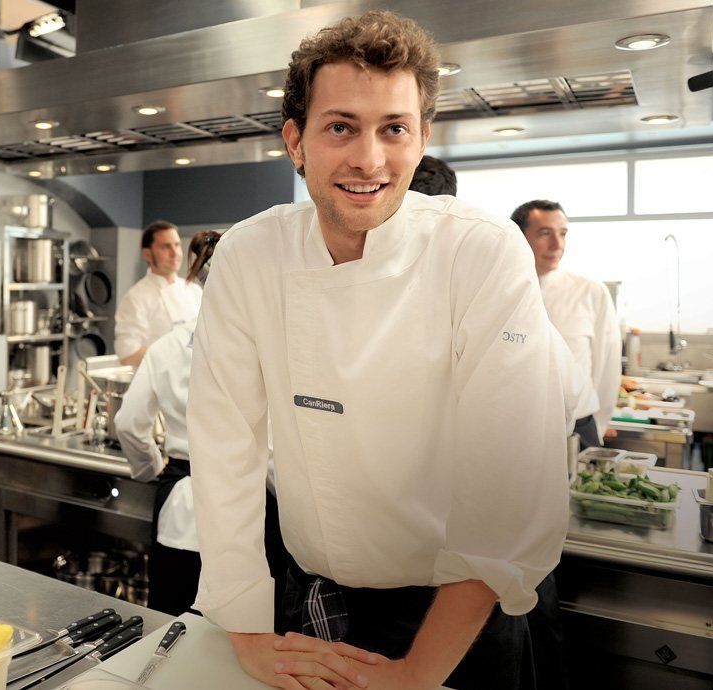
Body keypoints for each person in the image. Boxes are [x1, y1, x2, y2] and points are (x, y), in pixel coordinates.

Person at [187, 10, 569, 690]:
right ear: (294, 141)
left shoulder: (478, 252)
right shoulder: (251, 254)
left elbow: (510, 485)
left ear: (423, 137)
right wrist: (243, 629)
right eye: (340, 127)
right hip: (312, 602)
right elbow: (225, 449)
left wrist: (417, 674)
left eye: (393, 128)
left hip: (457, 619)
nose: (369, 159)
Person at [113, 230, 222, 616]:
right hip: (249, 500)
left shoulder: (170, 344)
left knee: (170, 622)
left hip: (180, 491)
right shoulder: (264, 341)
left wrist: (149, 467)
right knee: (242, 633)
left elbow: (127, 423)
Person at [510, 199, 622, 449]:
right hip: (518, 427)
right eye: (545, 233)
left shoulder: (590, 292)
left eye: (563, 234)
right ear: (518, 236)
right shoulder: (501, 290)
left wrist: (599, 427)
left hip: (578, 428)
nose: (557, 245)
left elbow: (608, 367)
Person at [113, 220, 202, 367]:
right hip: (156, 385)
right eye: (165, 247)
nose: (174, 253)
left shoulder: (194, 291)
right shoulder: (136, 297)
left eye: (177, 245)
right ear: (148, 254)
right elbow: (127, 355)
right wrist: (174, 352)